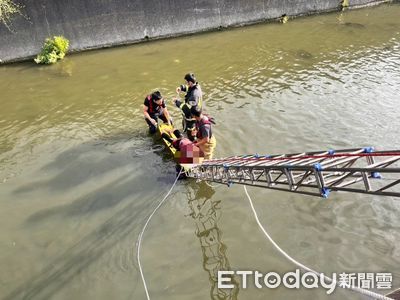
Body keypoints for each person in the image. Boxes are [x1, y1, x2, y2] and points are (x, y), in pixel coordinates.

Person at [174, 73, 203, 137]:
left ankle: (191, 140)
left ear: (190, 82)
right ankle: (186, 131)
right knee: (185, 124)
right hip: (194, 113)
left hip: (192, 116)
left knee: (190, 130)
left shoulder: (194, 96)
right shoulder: (196, 86)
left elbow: (186, 109)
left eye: (186, 82)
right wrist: (181, 88)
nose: (186, 83)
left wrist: (176, 102)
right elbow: (189, 88)